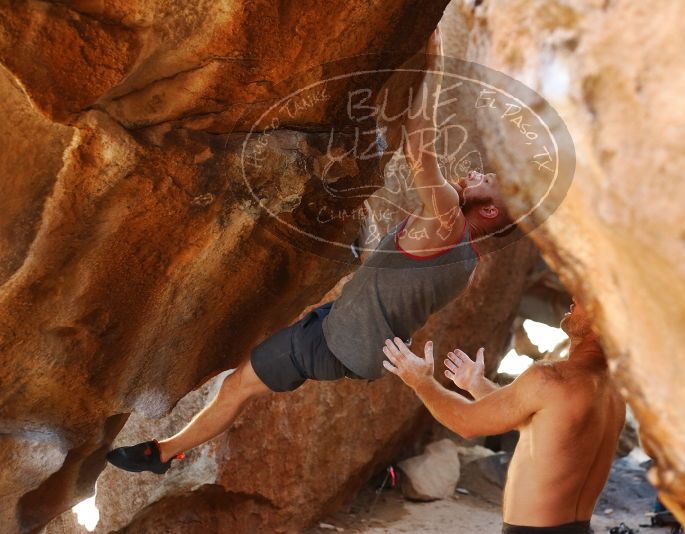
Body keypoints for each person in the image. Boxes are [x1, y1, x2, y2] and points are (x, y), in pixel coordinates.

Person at [106, 28, 517, 475]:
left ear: (491, 210)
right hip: (348, 337)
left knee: (238, 385)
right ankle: (168, 450)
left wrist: (432, 66)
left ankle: (162, 454)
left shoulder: (448, 222)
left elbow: (419, 148)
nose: (477, 172)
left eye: (486, 180)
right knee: (241, 381)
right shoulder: (467, 259)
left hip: (334, 344)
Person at [382, 299, 626, 534]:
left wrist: (421, 381)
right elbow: (535, 421)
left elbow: (465, 422)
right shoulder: (614, 393)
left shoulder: (551, 378)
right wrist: (476, 384)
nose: (573, 296)